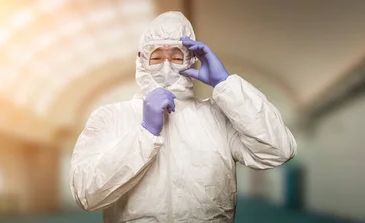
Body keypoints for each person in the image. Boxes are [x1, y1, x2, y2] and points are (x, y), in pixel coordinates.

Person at [69, 11, 297, 222]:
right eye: (156, 57)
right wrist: (145, 134)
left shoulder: (217, 117)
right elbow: (86, 194)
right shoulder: (110, 118)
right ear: (141, 60)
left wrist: (226, 85)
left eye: (176, 57)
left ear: (191, 60)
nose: (166, 66)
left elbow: (276, 151)